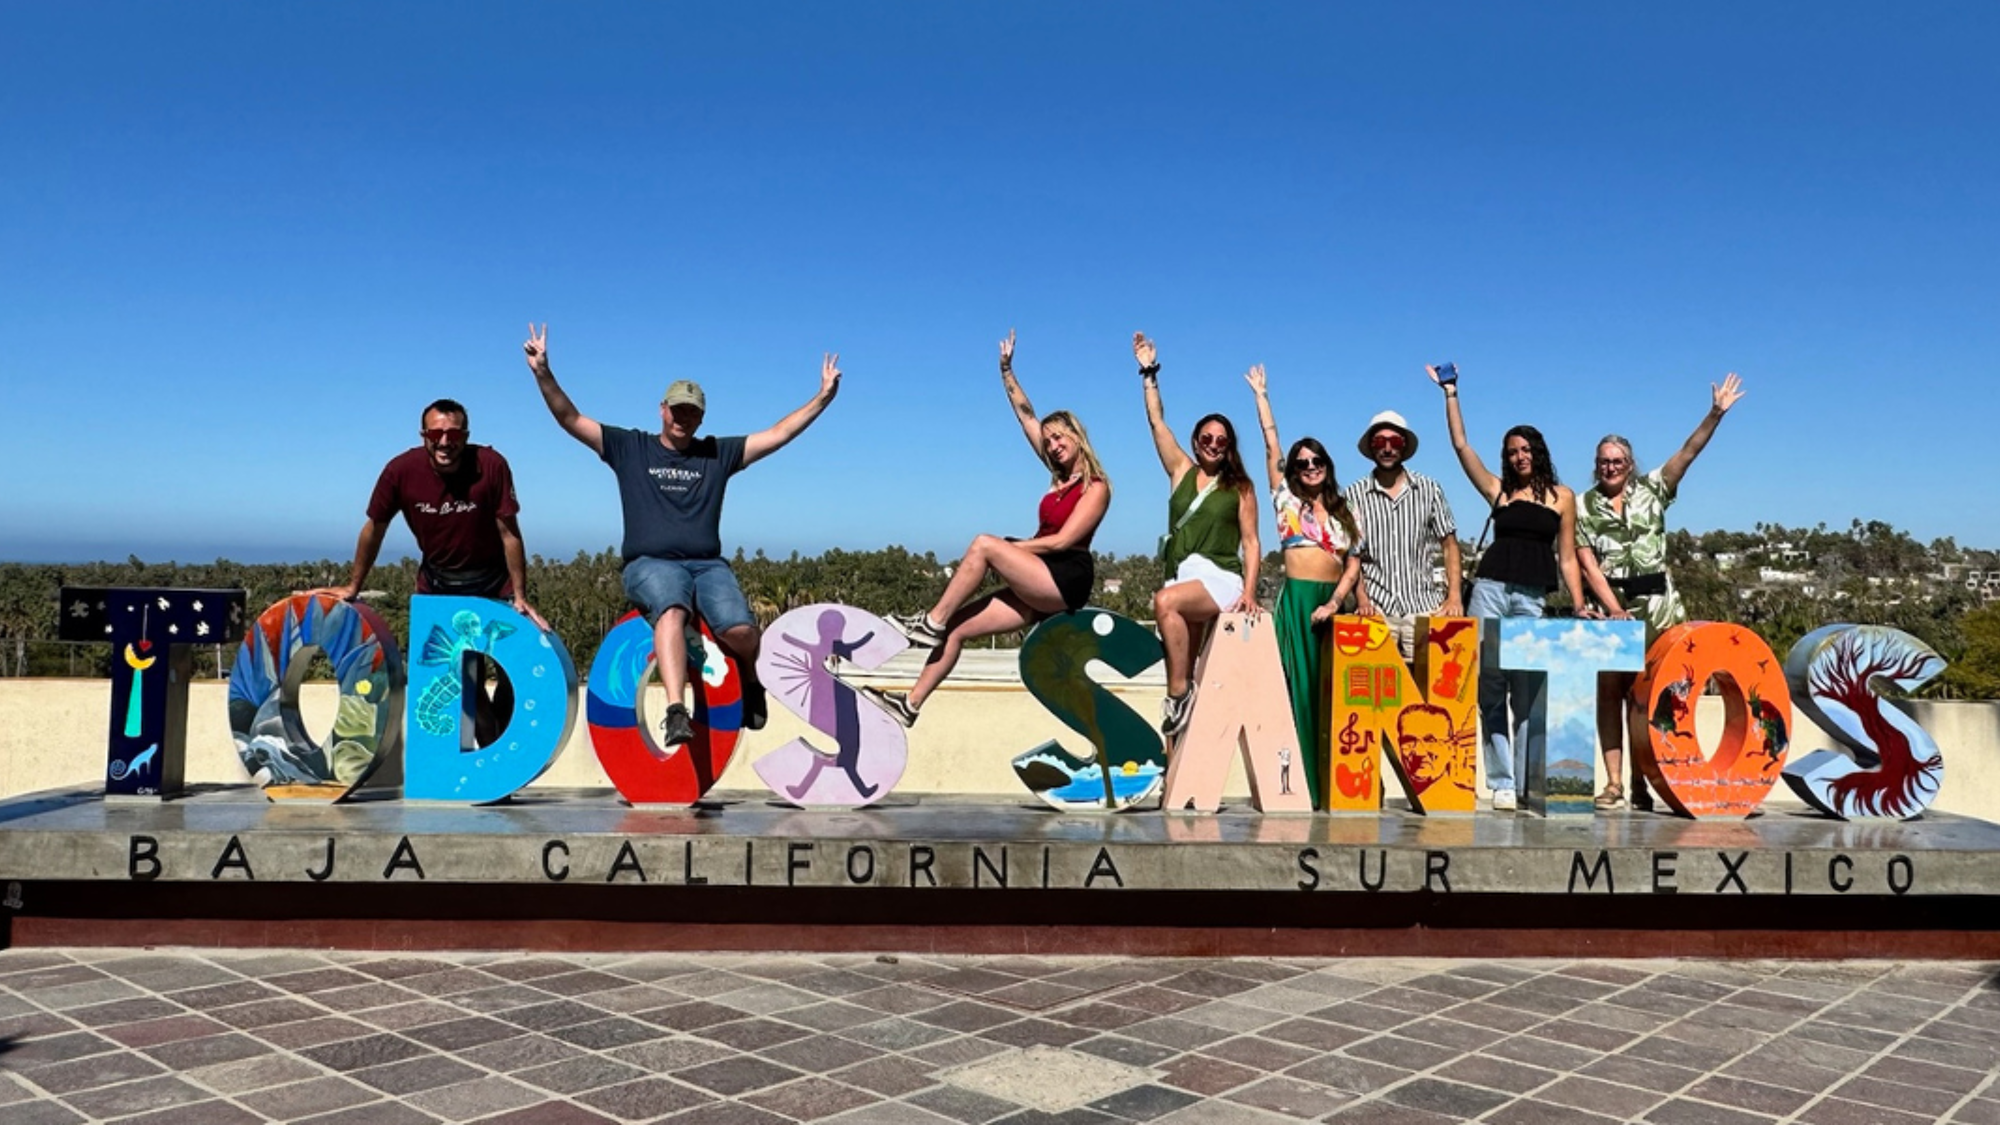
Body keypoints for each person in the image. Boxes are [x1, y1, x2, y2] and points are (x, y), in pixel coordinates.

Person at [524, 324, 839, 746]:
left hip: (708, 566)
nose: (682, 418)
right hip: (649, 564)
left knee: (743, 631)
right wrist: (543, 372)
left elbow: (777, 434)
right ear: (662, 409)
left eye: (691, 412)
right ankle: (676, 711)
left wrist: (821, 399)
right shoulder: (629, 447)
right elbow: (570, 418)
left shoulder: (717, 453)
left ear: (702, 417)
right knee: (672, 610)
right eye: (677, 409)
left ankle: (750, 680)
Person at [871, 331, 1111, 727]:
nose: (1052, 445)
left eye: (1059, 437)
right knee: (957, 629)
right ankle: (909, 705)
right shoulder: (1056, 474)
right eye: (1048, 441)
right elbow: (1026, 415)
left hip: (1065, 578)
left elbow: (1066, 540)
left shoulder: (1096, 486)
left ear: (1076, 435)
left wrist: (1012, 548)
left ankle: (928, 622)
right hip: (1037, 579)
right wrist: (1006, 371)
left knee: (984, 545)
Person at [309, 398, 544, 745]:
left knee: (514, 674)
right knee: (468, 679)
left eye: (453, 433)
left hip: (494, 584)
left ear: (466, 435)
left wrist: (519, 596)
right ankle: (493, 768)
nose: (445, 442)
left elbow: (510, 533)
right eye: (436, 433)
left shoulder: (491, 465)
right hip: (439, 585)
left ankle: (499, 756)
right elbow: (374, 528)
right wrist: (353, 585)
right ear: (424, 435)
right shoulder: (400, 471)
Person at [1578, 374, 1747, 811]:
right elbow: (1586, 563)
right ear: (1596, 465)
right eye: (1603, 461)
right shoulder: (1582, 505)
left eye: (1617, 460)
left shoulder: (1654, 489)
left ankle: (1643, 780)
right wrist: (1613, 610)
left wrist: (1715, 413)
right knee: (1610, 696)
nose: (1609, 466)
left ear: (1630, 464)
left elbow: (1688, 452)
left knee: (1650, 698)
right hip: (1612, 610)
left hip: (1661, 611)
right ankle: (1614, 783)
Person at [1433, 363, 1587, 812]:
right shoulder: (1498, 491)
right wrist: (1450, 394)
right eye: (1512, 451)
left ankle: (1524, 782)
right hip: (1491, 591)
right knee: (1491, 686)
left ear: (1538, 452)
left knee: (1527, 690)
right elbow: (1461, 447)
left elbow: (1567, 554)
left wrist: (1578, 603)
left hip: (1531, 597)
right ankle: (1501, 780)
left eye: (1526, 449)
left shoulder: (1563, 496)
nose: (1519, 457)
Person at [1246, 364, 1363, 804]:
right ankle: (1296, 790)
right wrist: (1262, 396)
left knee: (1332, 699)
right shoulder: (1285, 499)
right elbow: (1270, 442)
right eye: (1302, 463)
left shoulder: (1346, 510)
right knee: (1294, 693)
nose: (1310, 468)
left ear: (1327, 466)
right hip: (1296, 603)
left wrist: (1340, 602)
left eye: (1316, 462)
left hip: (1332, 606)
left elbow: (1354, 565)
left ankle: (1333, 787)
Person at [1139, 332, 1261, 738]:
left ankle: (1178, 694)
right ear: (1195, 442)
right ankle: (1177, 775)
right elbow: (1157, 421)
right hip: (1184, 574)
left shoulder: (1240, 487)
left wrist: (1249, 591)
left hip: (1221, 578)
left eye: (1221, 442)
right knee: (1185, 663)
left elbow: (1251, 543)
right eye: (1206, 439)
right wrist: (1148, 373)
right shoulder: (1181, 472)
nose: (1212, 445)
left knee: (1165, 603)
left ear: (1229, 449)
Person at [1342, 411, 1463, 659]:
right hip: (1376, 609)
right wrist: (1362, 600)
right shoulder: (1353, 495)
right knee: (1376, 693)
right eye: (1380, 442)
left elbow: (1449, 545)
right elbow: (1354, 554)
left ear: (1404, 446)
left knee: (1429, 692)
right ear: (1371, 447)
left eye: (1394, 442)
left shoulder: (1429, 489)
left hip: (1423, 606)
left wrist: (1454, 597)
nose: (1387, 448)